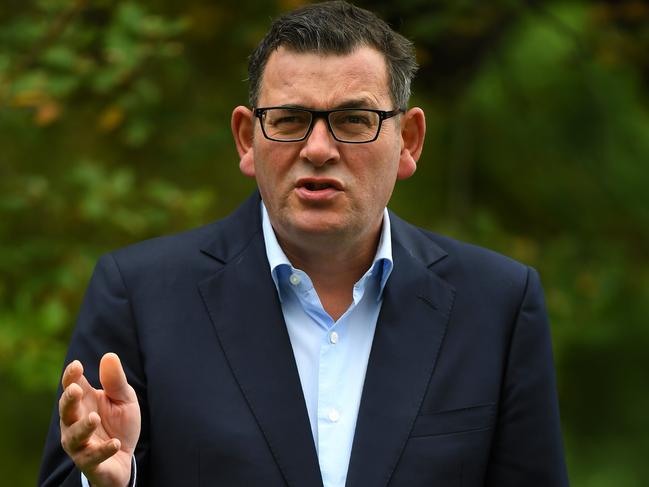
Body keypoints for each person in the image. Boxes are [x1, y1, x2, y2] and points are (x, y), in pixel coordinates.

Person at [38, 2, 569, 486]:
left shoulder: (497, 304)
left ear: (407, 142)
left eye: (353, 120)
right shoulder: (140, 295)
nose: (318, 149)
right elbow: (79, 471)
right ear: (248, 140)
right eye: (290, 120)